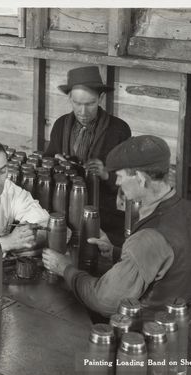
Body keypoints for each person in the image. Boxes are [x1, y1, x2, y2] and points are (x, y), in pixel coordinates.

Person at [42, 135, 191, 371]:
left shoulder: (149, 238)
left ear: (141, 178)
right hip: (187, 334)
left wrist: (64, 268)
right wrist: (115, 252)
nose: (118, 184)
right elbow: (170, 265)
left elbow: (103, 299)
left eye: (121, 176)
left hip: (148, 345)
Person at [44, 66, 131, 245]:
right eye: (77, 103)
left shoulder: (119, 130)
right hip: (63, 210)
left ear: (101, 98)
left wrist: (105, 173)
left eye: (90, 104)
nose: (83, 112)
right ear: (69, 98)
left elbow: (130, 182)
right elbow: (46, 161)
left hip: (101, 215)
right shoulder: (60, 125)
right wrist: (55, 163)